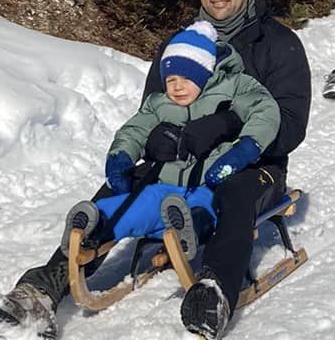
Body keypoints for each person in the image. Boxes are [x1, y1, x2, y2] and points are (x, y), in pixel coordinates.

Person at [0, 0, 311, 340]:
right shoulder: (180, 43)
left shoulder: (279, 44)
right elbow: (151, 110)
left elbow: (290, 124)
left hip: (254, 165)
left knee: (236, 192)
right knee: (124, 186)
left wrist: (226, 126)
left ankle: (214, 290)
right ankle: (41, 292)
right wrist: (158, 142)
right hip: (182, 161)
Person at [69, 19, 280, 260]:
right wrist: (121, 157)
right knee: (141, 201)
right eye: (171, 80)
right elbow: (134, 130)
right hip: (166, 183)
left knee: (206, 204)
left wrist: (243, 149)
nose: (177, 87)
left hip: (210, 180)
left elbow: (264, 110)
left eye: (187, 79)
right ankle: (94, 225)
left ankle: (190, 233)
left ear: (203, 78)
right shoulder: (159, 104)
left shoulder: (228, 93)